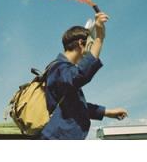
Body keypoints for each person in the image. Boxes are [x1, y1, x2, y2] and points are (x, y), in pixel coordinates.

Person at [40, 12, 128, 140]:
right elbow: (80, 75)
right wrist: (99, 38)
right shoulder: (58, 68)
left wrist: (108, 112)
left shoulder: (63, 71)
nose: (91, 50)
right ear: (81, 43)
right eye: (90, 45)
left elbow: (76, 107)